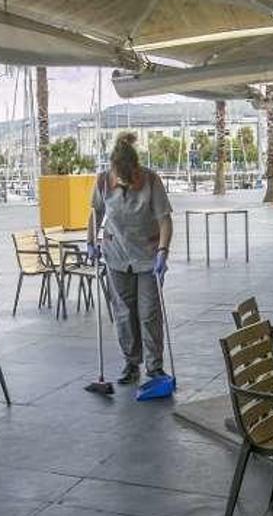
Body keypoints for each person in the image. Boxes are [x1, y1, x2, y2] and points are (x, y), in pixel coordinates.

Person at [88, 132, 174, 385]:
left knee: (149, 312)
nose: (127, 183)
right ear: (114, 169)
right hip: (116, 255)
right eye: (122, 180)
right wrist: (91, 241)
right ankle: (131, 363)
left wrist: (163, 252)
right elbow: (95, 212)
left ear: (136, 167)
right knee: (124, 313)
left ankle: (155, 368)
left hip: (148, 257)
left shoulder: (151, 180)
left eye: (131, 177)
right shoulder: (103, 181)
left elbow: (165, 220)